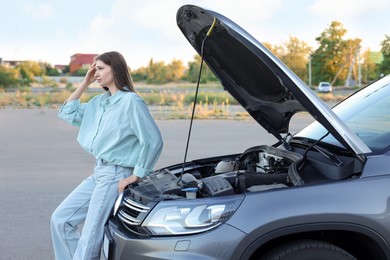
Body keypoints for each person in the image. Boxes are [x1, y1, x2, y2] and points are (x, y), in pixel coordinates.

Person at [50, 51, 163, 260]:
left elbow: (153, 140)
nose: (96, 73)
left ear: (116, 69)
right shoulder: (98, 103)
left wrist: (136, 174)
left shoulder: (131, 102)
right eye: (95, 69)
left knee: (90, 236)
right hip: (99, 172)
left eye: (101, 68)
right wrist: (84, 82)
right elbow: (67, 113)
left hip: (116, 174)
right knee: (61, 219)